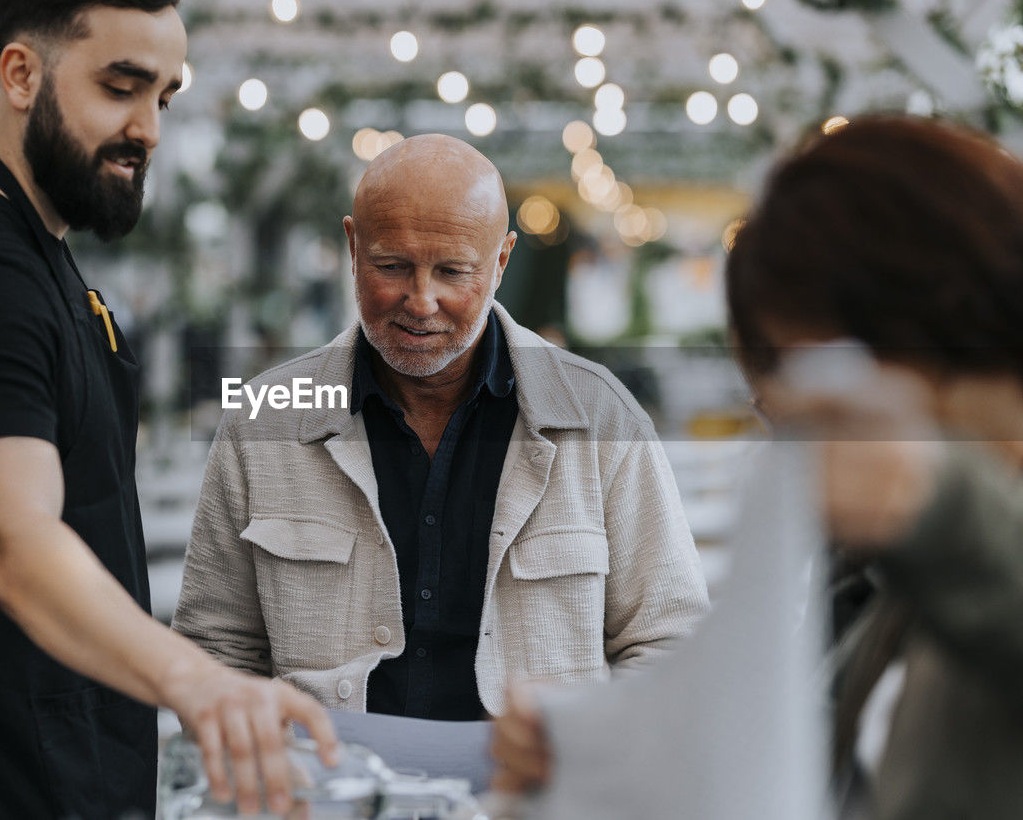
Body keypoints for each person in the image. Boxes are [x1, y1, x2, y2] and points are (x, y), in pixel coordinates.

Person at [0, 0, 335, 818]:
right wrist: (202, 685)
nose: (145, 129)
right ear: (20, 74)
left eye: (165, 99)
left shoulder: (44, 260)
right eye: (120, 88)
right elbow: (9, 540)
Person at [493, 116, 1023, 818]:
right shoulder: (897, 582)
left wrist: (940, 502)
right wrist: (606, 742)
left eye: (820, 381)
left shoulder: (954, 528)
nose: (797, 424)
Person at [172, 133, 709, 721]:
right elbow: (216, 648)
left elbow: (669, 641)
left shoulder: (600, 417)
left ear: (502, 262)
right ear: (353, 247)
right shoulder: (266, 419)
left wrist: (584, 759)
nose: (421, 301)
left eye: (453, 271)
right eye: (392, 266)